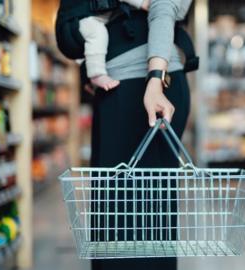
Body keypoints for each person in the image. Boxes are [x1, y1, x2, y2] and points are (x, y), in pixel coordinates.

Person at [55, 0, 195, 269]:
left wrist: (155, 78)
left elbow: (164, 7)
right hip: (117, 86)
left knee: (148, 213)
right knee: (115, 214)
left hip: (151, 87)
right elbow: (69, 32)